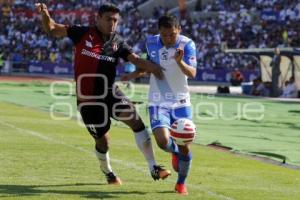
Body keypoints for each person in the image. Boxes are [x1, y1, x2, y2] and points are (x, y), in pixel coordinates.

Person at [35, 3, 171, 185]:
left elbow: (136, 60)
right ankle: (108, 171)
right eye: (108, 19)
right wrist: (45, 14)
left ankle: (153, 167)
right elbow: (51, 29)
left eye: (115, 20)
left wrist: (157, 68)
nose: (112, 24)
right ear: (97, 18)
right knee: (103, 142)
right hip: (89, 100)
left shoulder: (118, 42)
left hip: (110, 92)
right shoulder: (81, 33)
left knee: (137, 122)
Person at [122, 14, 197, 195]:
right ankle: (174, 152)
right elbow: (149, 65)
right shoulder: (151, 42)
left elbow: (193, 73)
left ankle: (181, 183)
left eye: (172, 34)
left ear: (178, 30)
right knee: (163, 142)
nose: (168, 38)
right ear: (159, 32)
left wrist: (179, 62)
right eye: (164, 35)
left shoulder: (187, 44)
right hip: (158, 100)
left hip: (181, 102)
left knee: (185, 146)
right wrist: (133, 75)